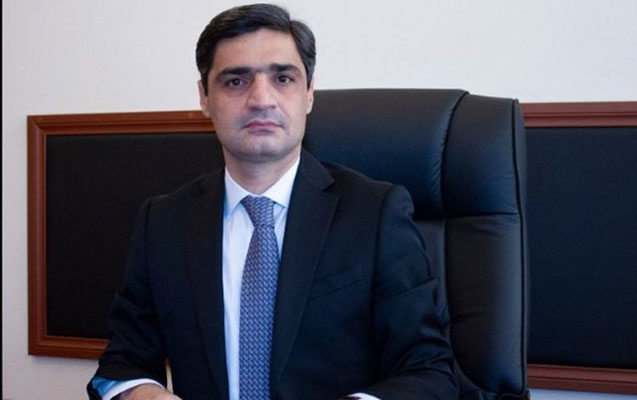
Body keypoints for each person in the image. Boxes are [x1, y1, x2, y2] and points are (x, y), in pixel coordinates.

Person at [88, 4, 458, 400]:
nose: (261, 99)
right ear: (204, 98)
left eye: (283, 78)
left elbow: (430, 372)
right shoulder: (164, 222)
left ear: (309, 93)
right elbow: (122, 363)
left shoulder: (375, 213)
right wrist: (141, 394)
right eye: (236, 81)